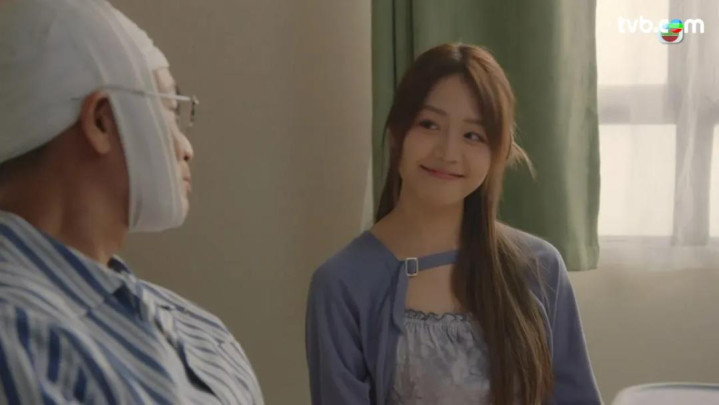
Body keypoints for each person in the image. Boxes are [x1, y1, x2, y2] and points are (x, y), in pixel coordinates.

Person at [306, 43, 601, 405]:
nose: (448, 153)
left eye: (473, 135)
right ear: (397, 133)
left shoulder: (540, 267)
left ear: (498, 153)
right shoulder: (342, 285)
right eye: (429, 124)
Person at [0, 0, 263, 403]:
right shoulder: (17, 336)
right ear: (101, 121)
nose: (187, 148)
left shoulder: (208, 335)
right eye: (170, 110)